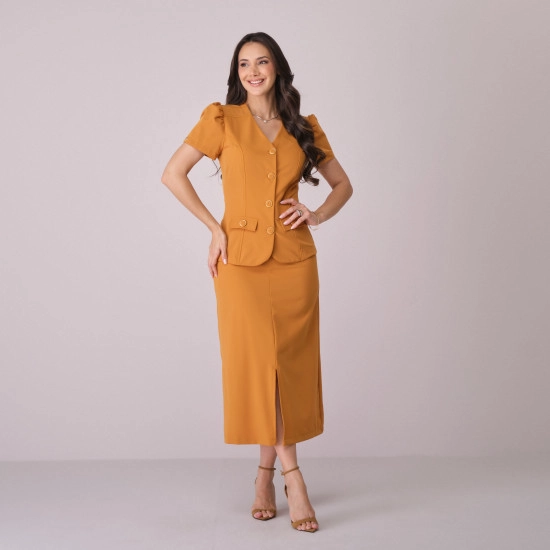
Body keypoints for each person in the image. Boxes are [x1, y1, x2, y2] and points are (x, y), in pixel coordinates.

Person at [161, 32, 352, 533]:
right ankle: (294, 477)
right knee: (259, 367)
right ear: (237, 73)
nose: (253, 72)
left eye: (261, 62)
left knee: (287, 368)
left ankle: (265, 475)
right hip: (240, 265)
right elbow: (173, 174)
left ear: (277, 68)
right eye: (244, 64)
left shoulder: (303, 127)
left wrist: (316, 215)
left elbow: (343, 185)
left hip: (294, 262)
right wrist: (214, 228)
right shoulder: (221, 120)